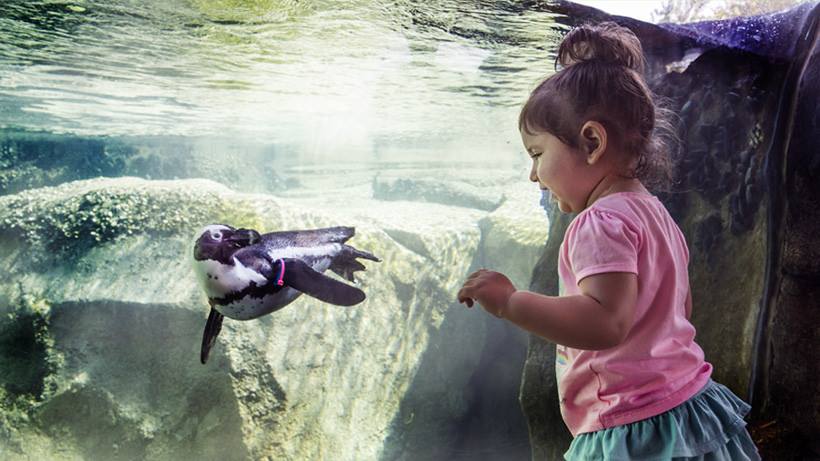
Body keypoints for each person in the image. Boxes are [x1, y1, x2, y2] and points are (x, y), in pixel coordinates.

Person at [457, 22, 760, 460]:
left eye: (537, 154)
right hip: (689, 406)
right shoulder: (654, 212)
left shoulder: (599, 223)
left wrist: (510, 302)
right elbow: (679, 310)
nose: (533, 175)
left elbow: (605, 323)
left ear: (592, 141)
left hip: (632, 426)